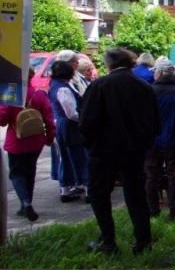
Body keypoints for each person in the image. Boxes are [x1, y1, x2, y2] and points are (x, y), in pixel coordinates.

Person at [80, 48, 160, 255]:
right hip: (134, 151)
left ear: (109, 64)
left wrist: (90, 145)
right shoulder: (144, 87)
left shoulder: (100, 85)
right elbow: (155, 122)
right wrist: (144, 144)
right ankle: (143, 242)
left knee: (99, 194)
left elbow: (86, 121)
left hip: (103, 151)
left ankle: (108, 240)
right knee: (136, 195)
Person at [0, 68, 56, 221]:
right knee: (30, 172)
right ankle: (26, 204)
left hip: (17, 142)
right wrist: (49, 138)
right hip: (36, 141)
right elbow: (49, 119)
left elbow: (2, 120)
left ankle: (25, 203)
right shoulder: (39, 94)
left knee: (16, 173)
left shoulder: (11, 94)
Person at [144, 58, 175, 220]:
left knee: (151, 176)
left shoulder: (149, 92)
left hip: (152, 142)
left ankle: (152, 210)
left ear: (158, 73)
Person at [48, 60, 88, 202]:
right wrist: (84, 119)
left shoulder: (53, 86)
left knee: (65, 157)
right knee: (80, 156)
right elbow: (71, 113)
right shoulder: (63, 89)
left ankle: (66, 188)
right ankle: (87, 188)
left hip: (60, 124)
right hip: (69, 126)